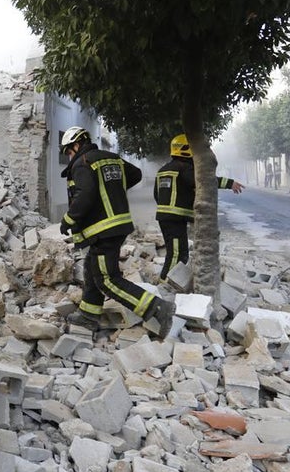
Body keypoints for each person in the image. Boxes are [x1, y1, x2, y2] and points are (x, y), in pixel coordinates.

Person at [58, 126, 173, 335]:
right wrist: (113, 189)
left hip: (103, 229)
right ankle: (88, 315)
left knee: (107, 279)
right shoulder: (110, 157)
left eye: (68, 151)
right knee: (93, 268)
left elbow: (85, 195)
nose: (68, 156)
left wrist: (68, 219)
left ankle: (156, 308)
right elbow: (135, 174)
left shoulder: (82, 164)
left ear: (76, 144)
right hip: (118, 225)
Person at [153, 134, 244, 280]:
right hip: (175, 218)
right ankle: (165, 284)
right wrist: (229, 183)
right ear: (186, 149)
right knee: (176, 254)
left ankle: (174, 282)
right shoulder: (185, 168)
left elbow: (156, 194)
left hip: (166, 217)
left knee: (180, 252)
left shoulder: (163, 170)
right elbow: (204, 180)